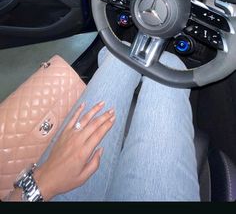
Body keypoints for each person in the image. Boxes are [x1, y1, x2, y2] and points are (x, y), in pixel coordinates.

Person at [4, 47, 200, 202]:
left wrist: (41, 181)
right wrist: (44, 183)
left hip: (34, 191)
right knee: (168, 64)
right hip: (40, 189)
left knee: (119, 56)